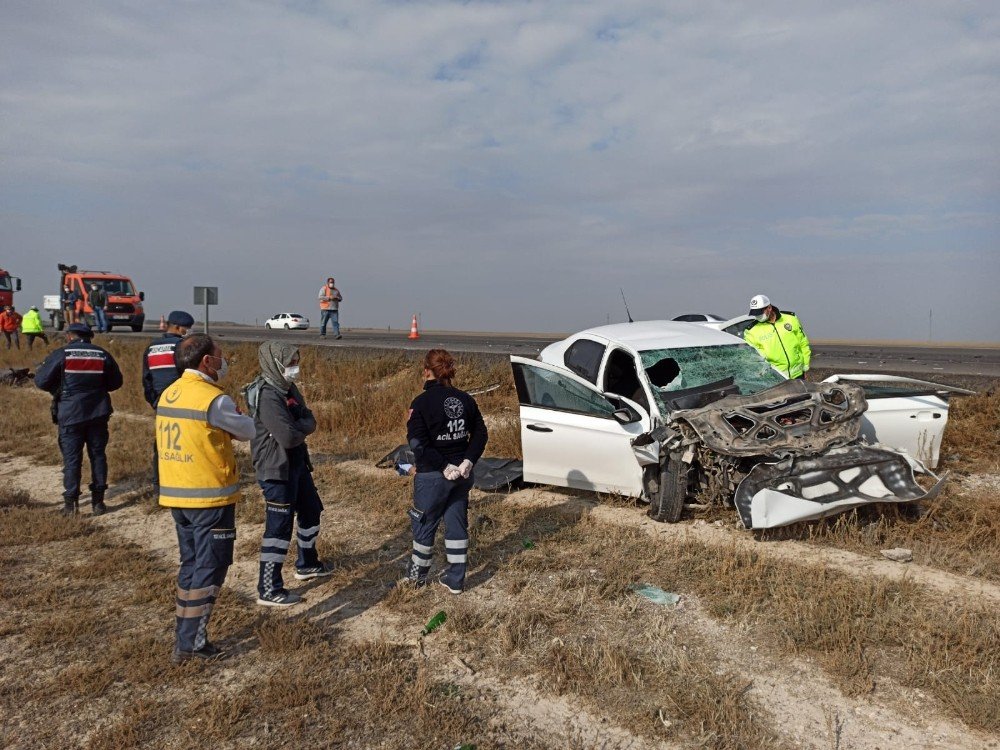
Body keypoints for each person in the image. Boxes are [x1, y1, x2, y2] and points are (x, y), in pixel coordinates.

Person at [156, 334, 254, 663]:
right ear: (206, 362)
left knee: (191, 565)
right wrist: (238, 418)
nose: (223, 362)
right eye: (220, 356)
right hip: (209, 497)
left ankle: (183, 631)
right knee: (211, 568)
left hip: (176, 493)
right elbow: (247, 431)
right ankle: (191, 643)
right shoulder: (213, 399)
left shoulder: (169, 393)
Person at [247, 341, 333, 607]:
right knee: (279, 528)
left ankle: (307, 563)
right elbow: (287, 436)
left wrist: (300, 425)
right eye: (291, 362)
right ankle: (269, 587)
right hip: (276, 468)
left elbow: (309, 420)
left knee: (311, 510)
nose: (295, 367)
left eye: (297, 361)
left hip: (297, 463)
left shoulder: (288, 388)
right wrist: (300, 426)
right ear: (276, 362)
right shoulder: (268, 394)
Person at [403, 349, 488, 594]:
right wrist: (468, 461)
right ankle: (455, 578)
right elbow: (480, 433)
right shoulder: (465, 399)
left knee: (424, 525)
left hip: (433, 477)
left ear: (427, 371)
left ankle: (416, 579)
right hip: (462, 476)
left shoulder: (420, 403)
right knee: (456, 522)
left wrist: (443, 466)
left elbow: (417, 444)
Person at [34, 322, 123, 516]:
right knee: (98, 455)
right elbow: (116, 382)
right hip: (98, 413)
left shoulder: (62, 354)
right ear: (89, 337)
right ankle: (98, 503)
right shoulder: (102, 354)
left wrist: (59, 387)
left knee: (72, 458)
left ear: (69, 336)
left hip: (70, 414)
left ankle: (70, 505)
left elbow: (41, 381)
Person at [142, 310, 194, 492]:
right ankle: (182, 483)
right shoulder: (183, 347)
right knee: (185, 445)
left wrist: (155, 402)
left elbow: (146, 380)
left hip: (162, 404)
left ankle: (158, 485)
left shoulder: (152, 347)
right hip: (184, 403)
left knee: (163, 444)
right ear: (178, 327)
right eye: (186, 329)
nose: (188, 332)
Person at [744, 294, 812, 379]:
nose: (758, 316)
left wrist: (805, 366)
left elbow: (803, 343)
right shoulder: (751, 331)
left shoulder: (790, 318)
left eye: (760, 313)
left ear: (769, 308)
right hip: (776, 379)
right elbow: (755, 358)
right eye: (755, 313)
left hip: (798, 374)